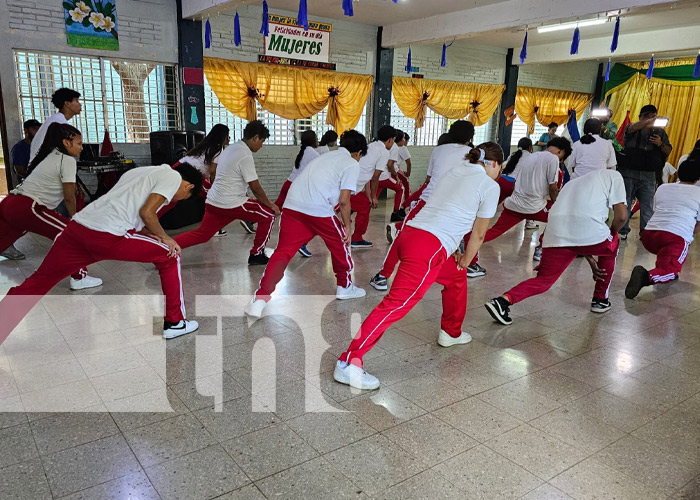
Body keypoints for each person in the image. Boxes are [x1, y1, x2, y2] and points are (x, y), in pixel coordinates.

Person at [334, 143, 503, 390]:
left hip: (411, 234)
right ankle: (349, 362)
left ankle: (451, 332)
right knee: (394, 305)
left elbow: (442, 210)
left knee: (455, 277)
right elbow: (478, 233)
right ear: (495, 164)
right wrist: (466, 259)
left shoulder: (453, 172)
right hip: (428, 248)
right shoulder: (490, 186)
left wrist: (454, 253)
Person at [0, 162, 203, 342]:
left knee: (37, 283)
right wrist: (167, 239)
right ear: (188, 187)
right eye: (184, 197)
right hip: (107, 236)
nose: (177, 199)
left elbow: (132, 214)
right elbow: (147, 213)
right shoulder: (173, 177)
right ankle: (175, 323)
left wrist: (155, 235)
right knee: (170, 255)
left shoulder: (140, 173)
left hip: (77, 230)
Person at [245, 130, 369, 319]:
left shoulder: (325, 156)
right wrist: (348, 226)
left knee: (282, 253)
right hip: (318, 210)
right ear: (358, 152)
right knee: (342, 243)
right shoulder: (351, 163)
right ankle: (345, 287)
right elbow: (344, 201)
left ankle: (260, 300)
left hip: (292, 207)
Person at [485, 167, 628, 325]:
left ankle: (502, 302)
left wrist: (591, 258)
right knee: (612, 245)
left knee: (544, 280)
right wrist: (611, 235)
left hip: (555, 231)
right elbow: (621, 217)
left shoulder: (571, 183)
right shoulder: (614, 175)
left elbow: (576, 234)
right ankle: (600, 300)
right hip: (585, 231)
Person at [370, 120, 475, 291]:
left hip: (428, 201)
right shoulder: (473, 153)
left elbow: (430, 177)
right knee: (451, 236)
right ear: (470, 137)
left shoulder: (439, 150)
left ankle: (383, 275)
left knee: (403, 235)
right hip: (453, 204)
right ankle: (459, 266)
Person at [0, 123, 102, 290]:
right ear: (66, 143)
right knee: (72, 235)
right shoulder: (67, 160)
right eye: (79, 143)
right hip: (28, 206)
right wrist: (76, 219)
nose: (81, 148)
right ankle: (79, 277)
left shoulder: (49, 155)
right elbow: (69, 197)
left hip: (11, 203)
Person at [465, 137, 572, 277]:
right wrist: (558, 204)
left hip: (514, 205)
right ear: (561, 151)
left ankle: (466, 239)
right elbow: (552, 188)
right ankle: (540, 248)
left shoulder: (531, 157)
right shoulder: (553, 159)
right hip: (535, 207)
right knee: (558, 216)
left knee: (495, 231)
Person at [174, 120, 278, 266]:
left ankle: (164, 248)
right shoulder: (244, 154)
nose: (261, 146)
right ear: (255, 137)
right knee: (268, 215)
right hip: (231, 203)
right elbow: (255, 186)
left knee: (202, 235)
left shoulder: (231, 148)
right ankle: (256, 254)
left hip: (214, 202)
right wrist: (270, 204)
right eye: (261, 141)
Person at [625, 158, 700, 299]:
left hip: (649, 236)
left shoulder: (663, 187)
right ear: (698, 178)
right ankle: (646, 277)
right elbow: (696, 227)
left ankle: (664, 266)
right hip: (674, 237)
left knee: (667, 250)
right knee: (671, 270)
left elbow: (656, 209)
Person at [158, 124, 230, 233]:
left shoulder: (205, 144)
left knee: (171, 200)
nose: (229, 138)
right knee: (213, 198)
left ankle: (149, 219)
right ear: (222, 136)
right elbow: (212, 171)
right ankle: (214, 229)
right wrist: (215, 187)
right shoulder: (218, 148)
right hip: (190, 174)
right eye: (228, 136)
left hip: (178, 167)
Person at [618, 104, 673, 240]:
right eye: (647, 116)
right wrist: (647, 123)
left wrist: (660, 144)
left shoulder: (660, 133)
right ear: (640, 117)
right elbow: (631, 128)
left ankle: (645, 233)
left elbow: (668, 151)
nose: (651, 120)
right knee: (626, 202)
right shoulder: (632, 128)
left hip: (648, 175)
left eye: (653, 117)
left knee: (647, 205)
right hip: (629, 173)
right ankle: (622, 231)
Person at [274, 129, 319, 258]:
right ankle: (301, 241)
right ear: (312, 140)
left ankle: (250, 220)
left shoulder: (305, 151)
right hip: (295, 188)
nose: (317, 140)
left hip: (289, 184)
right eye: (316, 138)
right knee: (307, 216)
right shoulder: (312, 153)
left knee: (275, 208)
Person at [1, 120, 42, 261]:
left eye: (39, 129)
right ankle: (5, 244)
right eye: (34, 129)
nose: (37, 131)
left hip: (44, 187)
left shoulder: (41, 147)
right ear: (26, 130)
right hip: (29, 188)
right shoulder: (20, 148)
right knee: (25, 219)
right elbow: (19, 170)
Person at [350, 125, 395, 248]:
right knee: (326, 216)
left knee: (364, 206)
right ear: (390, 140)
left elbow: (368, 174)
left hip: (354, 183)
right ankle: (356, 238)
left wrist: (369, 195)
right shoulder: (384, 152)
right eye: (393, 141)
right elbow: (375, 178)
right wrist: (374, 197)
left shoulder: (370, 146)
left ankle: (357, 238)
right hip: (352, 185)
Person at [30, 88, 82, 162]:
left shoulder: (55, 120)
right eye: (76, 101)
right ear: (67, 103)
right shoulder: (59, 124)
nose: (80, 104)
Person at [373, 126, 405, 222]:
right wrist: (396, 176)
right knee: (401, 188)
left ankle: (352, 210)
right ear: (391, 139)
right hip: (383, 176)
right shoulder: (394, 148)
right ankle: (396, 213)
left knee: (371, 197)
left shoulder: (373, 145)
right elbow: (390, 165)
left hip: (374, 176)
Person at [390, 130, 412, 215]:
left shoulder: (391, 146)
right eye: (403, 139)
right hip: (393, 169)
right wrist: (408, 174)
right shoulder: (401, 148)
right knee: (404, 185)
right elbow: (408, 162)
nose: (404, 141)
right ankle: (403, 206)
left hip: (392, 169)